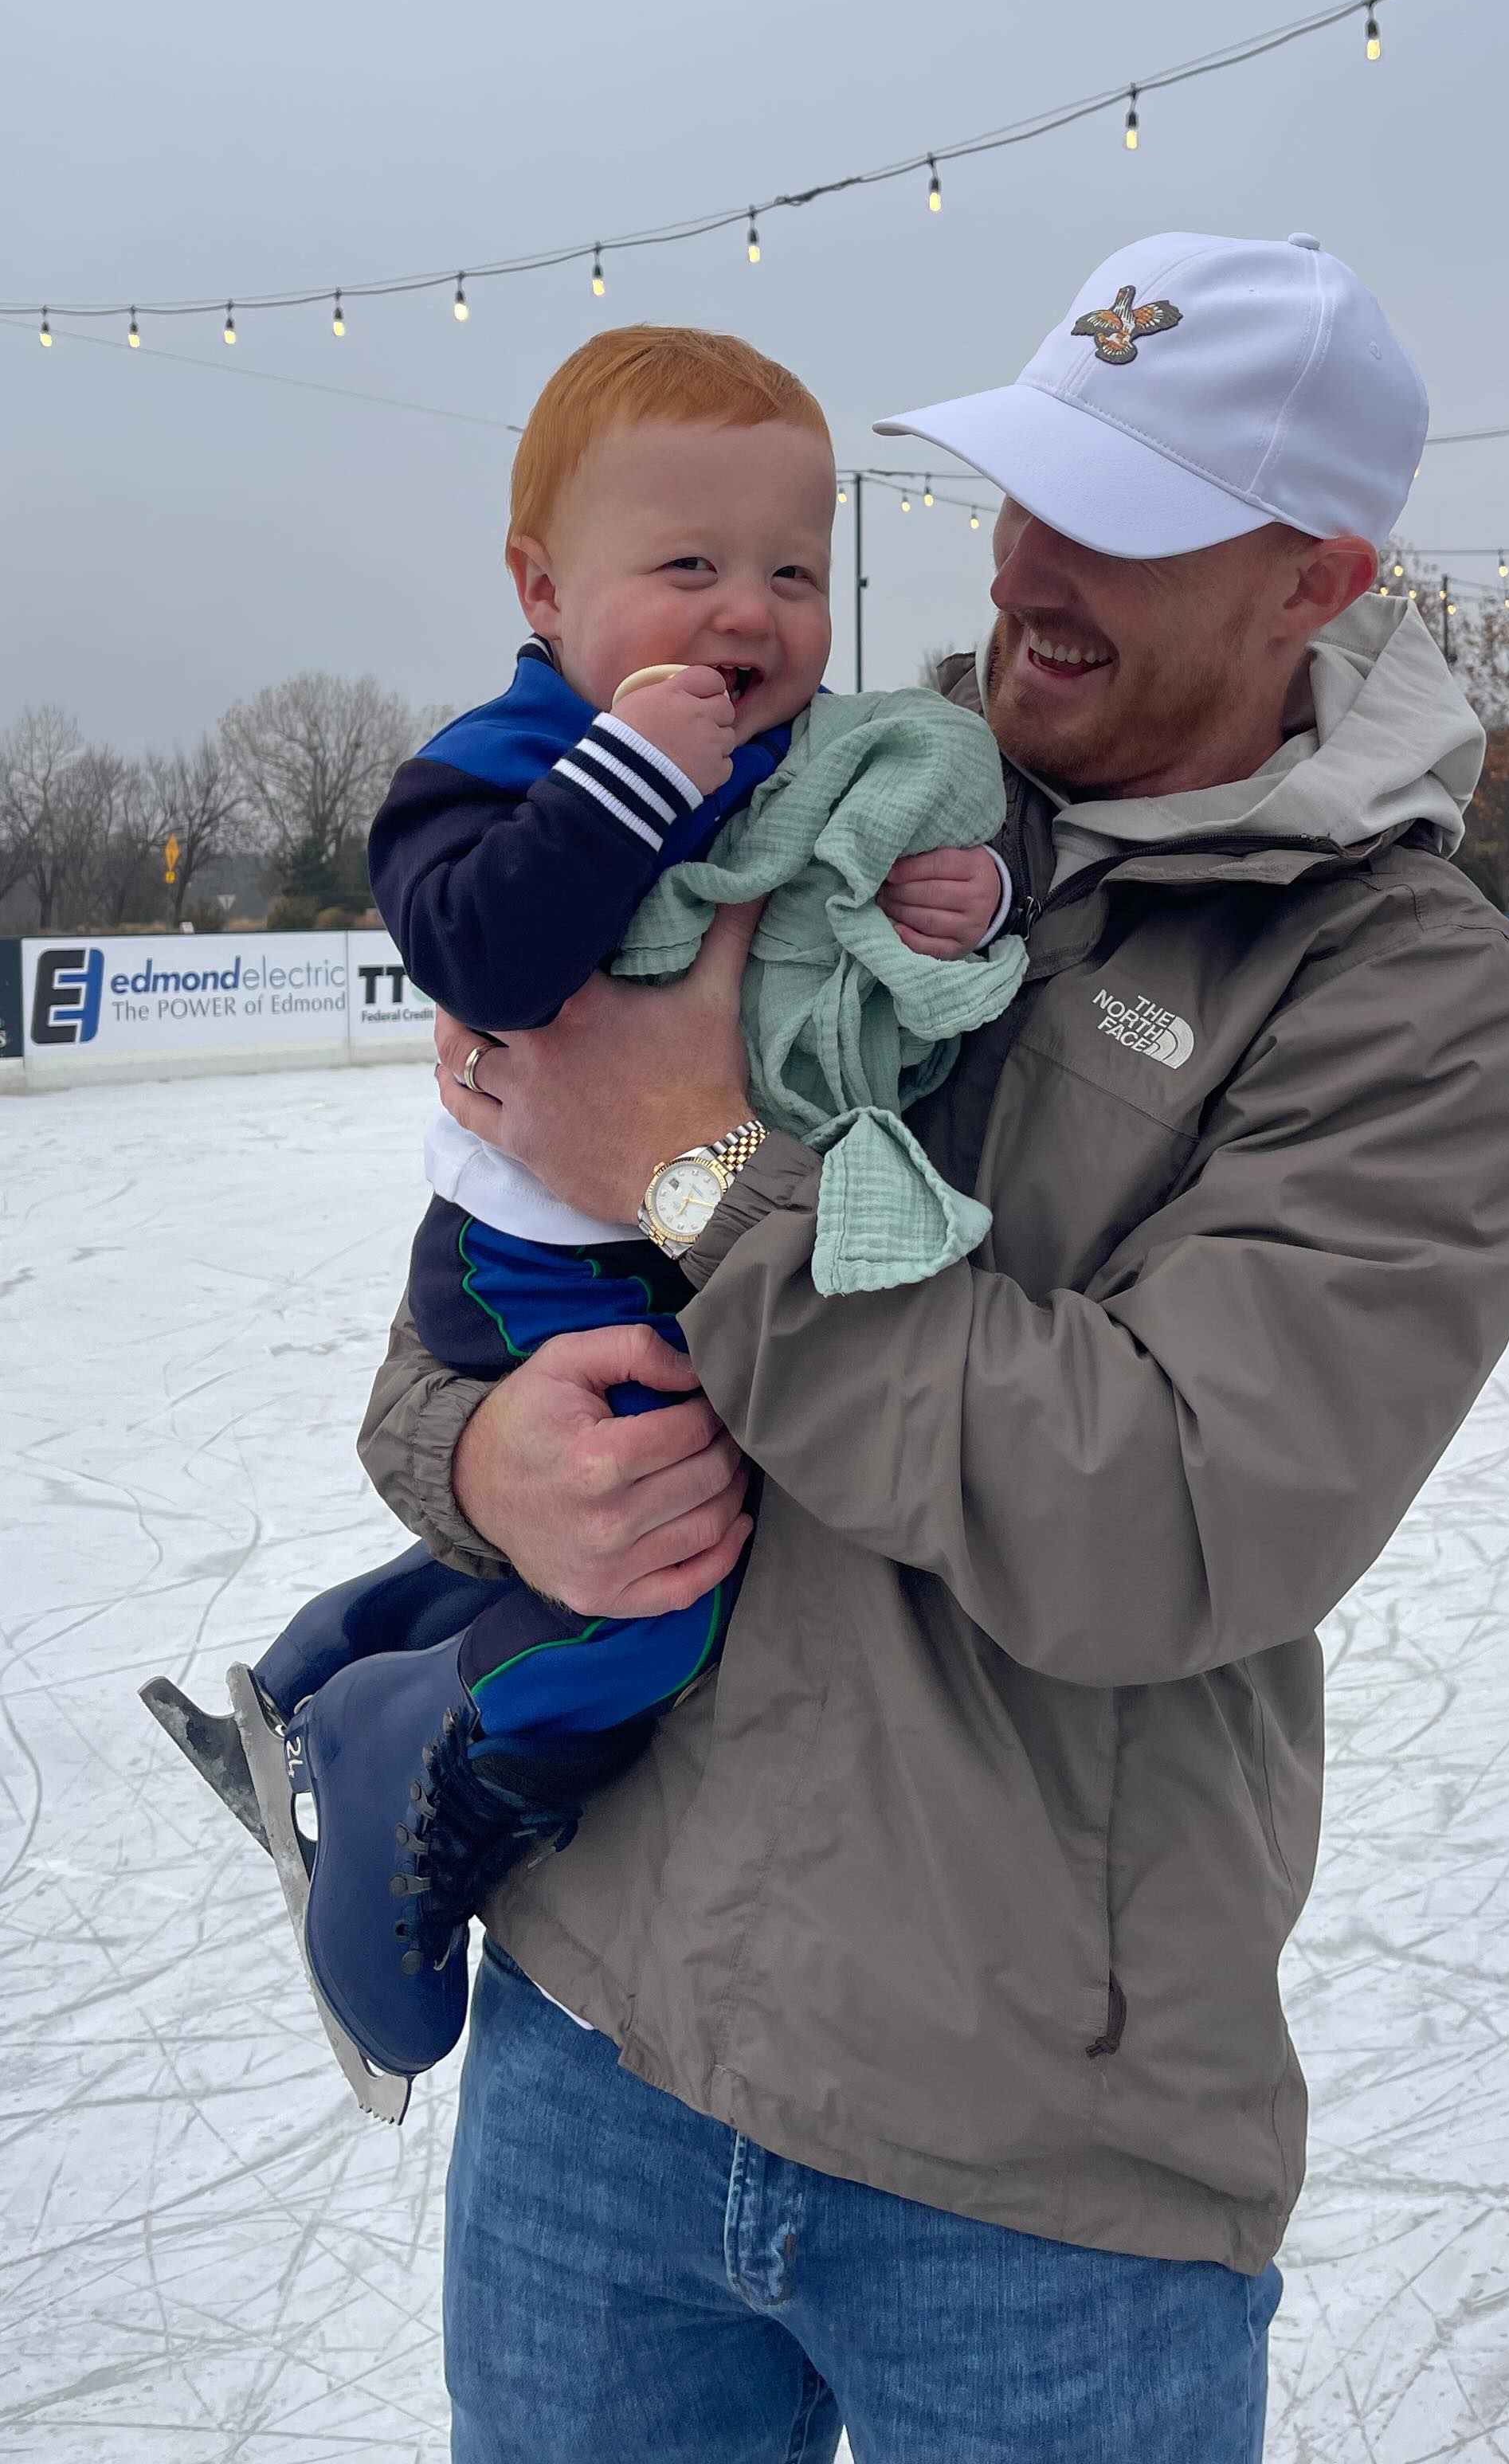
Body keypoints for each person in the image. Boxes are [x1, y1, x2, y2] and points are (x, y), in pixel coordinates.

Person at [361, 233, 1509, 2464]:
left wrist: (702, 1169)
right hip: (601, 2053)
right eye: (1026, 488)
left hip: (1032, 2181)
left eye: (1125, 518)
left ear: (1315, 583)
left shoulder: (1410, 1005)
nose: (1025, 566)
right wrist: (478, 1461)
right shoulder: (820, 803)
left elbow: (1161, 1518)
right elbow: (480, 1280)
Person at [142, 323, 1009, 2116]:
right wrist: (627, 776)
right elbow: (486, 953)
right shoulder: (503, 760)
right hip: (532, 1256)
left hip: (683, 1237)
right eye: (687, 565)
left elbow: (867, 858)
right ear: (544, 590)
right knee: (660, 1589)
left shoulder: (805, 754)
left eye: (791, 571)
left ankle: (331, 1666)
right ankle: (413, 1752)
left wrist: (960, 890)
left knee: (655, 1503)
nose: (747, 612)